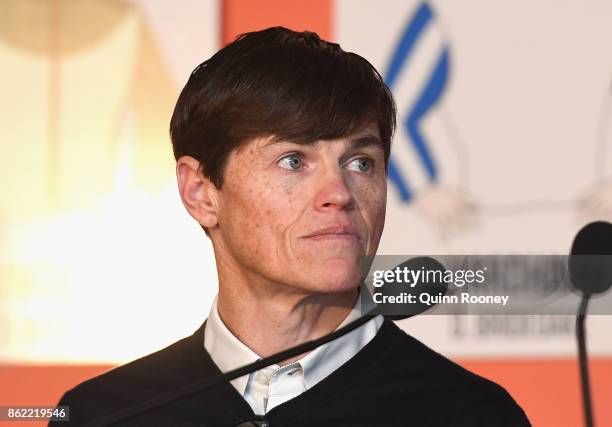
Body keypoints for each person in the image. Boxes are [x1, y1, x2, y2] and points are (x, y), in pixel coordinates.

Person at [52, 27, 530, 426]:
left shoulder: (471, 414)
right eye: (293, 160)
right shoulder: (104, 414)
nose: (339, 193)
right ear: (200, 191)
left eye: (361, 162)